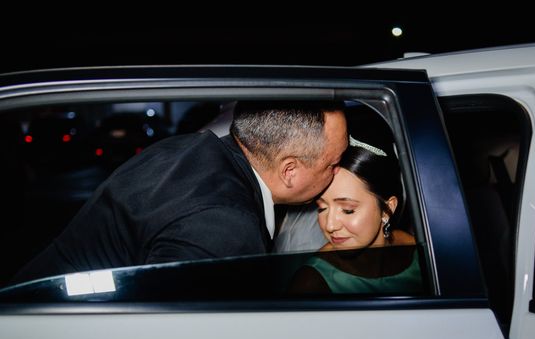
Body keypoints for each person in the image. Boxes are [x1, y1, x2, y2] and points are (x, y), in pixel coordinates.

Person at [10, 101, 348, 285]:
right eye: (333, 163)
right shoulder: (224, 227)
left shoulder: (191, 147)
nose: (338, 172)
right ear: (290, 171)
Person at [289, 139, 422, 294]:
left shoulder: (424, 253)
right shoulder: (310, 283)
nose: (330, 226)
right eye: (322, 208)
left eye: (347, 210)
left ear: (387, 209)